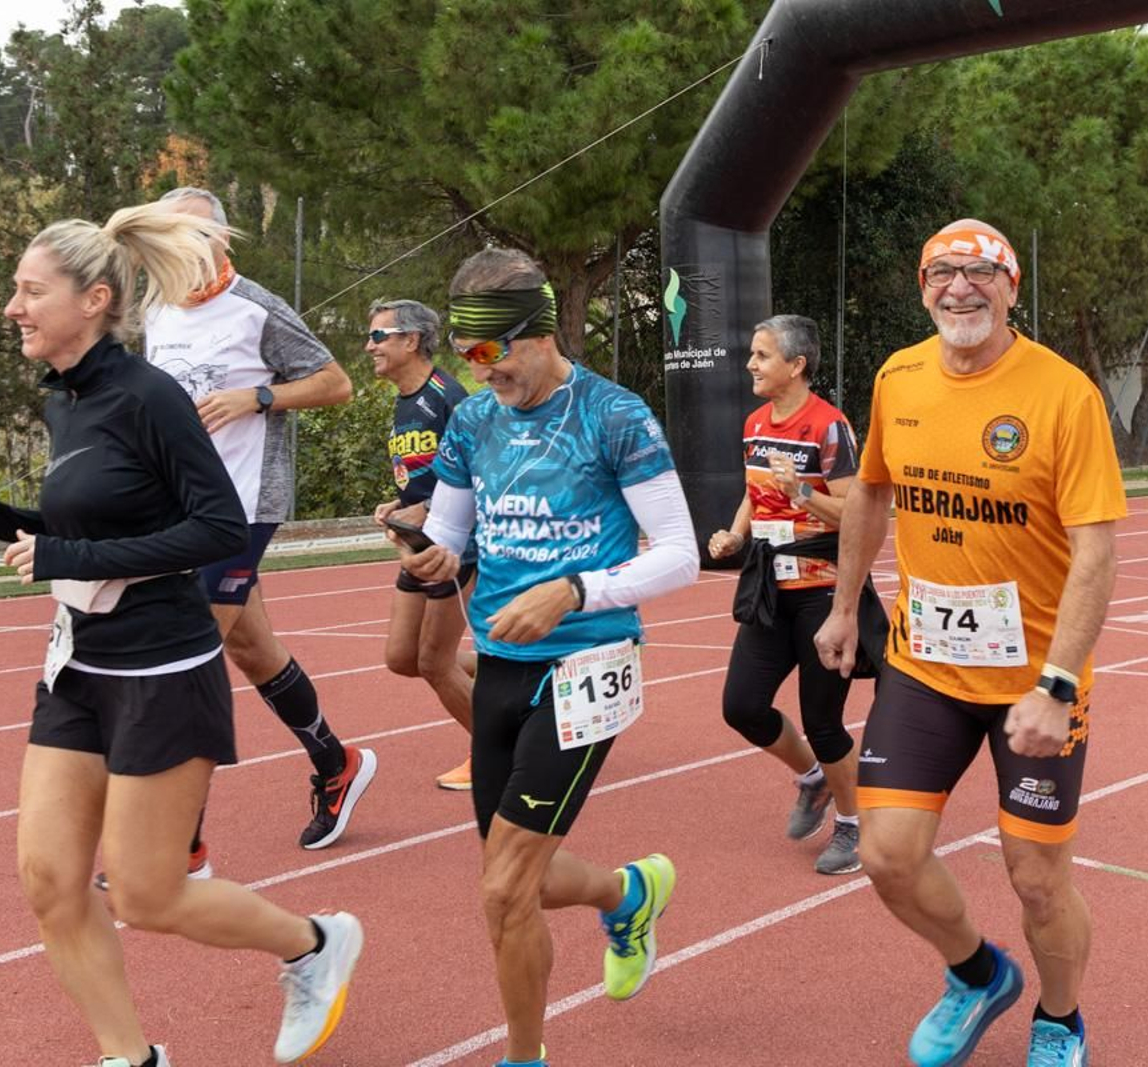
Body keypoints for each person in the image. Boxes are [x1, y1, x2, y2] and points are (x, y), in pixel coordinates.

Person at [0, 202, 363, 1066]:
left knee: (148, 892)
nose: (13, 306)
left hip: (162, 662)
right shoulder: (69, 401)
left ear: (93, 300)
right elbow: (84, 527)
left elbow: (214, 529)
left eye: (29, 290)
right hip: (77, 664)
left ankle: (314, 943)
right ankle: (132, 1058)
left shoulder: (149, 395)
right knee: (51, 880)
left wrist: (64, 550)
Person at [814, 219, 1124, 1067]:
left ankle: (1059, 1018)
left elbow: (1096, 549)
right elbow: (872, 494)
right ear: (922, 289)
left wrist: (1058, 683)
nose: (962, 287)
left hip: (1036, 680)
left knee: (1035, 876)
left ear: (1012, 288)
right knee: (887, 855)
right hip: (924, 666)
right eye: (943, 272)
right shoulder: (899, 376)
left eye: (982, 272)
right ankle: (978, 972)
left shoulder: (1064, 395)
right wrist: (846, 608)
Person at [393, 249, 700, 1067]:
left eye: (496, 353)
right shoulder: (473, 421)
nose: (484, 373)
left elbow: (680, 554)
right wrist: (433, 554)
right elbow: (454, 532)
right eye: (469, 357)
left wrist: (575, 590)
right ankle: (628, 892)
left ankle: (523, 1058)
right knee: (514, 878)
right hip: (499, 661)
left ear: (542, 331)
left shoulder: (614, 414)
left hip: (586, 663)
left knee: (502, 888)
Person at [141, 186, 375, 856]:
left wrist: (257, 396)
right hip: (175, 506)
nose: (175, 251)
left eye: (188, 238)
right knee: (250, 649)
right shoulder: (157, 309)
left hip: (239, 508)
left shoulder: (257, 308)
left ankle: (177, 843)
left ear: (222, 239)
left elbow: (336, 383)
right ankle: (337, 762)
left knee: (181, 656)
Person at [707, 314, 864, 875]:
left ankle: (851, 823)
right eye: (752, 354)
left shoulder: (829, 426)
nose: (750, 364)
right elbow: (755, 493)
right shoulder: (754, 423)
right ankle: (814, 780)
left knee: (823, 721)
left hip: (820, 588)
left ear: (796, 365)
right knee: (741, 706)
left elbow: (854, 512)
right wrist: (735, 533)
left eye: (762, 355)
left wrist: (803, 493)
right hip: (768, 584)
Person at [366, 297, 479, 790]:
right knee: (402, 658)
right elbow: (422, 479)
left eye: (378, 337)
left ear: (411, 341)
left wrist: (429, 510)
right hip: (419, 547)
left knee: (435, 662)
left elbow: (482, 476)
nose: (368, 346)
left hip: (457, 549)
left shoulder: (448, 398)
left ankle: (494, 753)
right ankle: (519, 668)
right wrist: (398, 506)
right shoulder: (404, 402)